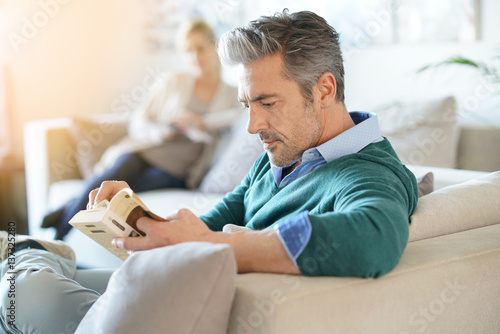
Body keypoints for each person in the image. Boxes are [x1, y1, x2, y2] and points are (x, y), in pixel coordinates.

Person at [0, 10, 418, 332]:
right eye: (245, 106)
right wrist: (134, 217)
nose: (252, 126)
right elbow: (208, 226)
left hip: (191, 309)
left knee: (23, 288)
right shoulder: (280, 157)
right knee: (23, 277)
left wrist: (220, 245)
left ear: (324, 89)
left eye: (267, 103)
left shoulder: (368, 172)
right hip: (182, 287)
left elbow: (374, 239)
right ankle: (33, 255)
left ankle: (32, 256)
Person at [42, 19, 241, 240]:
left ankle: (66, 209)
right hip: (145, 152)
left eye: (200, 48)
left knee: (123, 195)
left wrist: (201, 122)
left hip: (175, 171)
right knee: (109, 181)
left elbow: (235, 118)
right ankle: (58, 239)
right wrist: (165, 129)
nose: (194, 56)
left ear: (214, 46)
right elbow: (138, 122)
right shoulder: (174, 81)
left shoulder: (231, 93)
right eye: (187, 50)